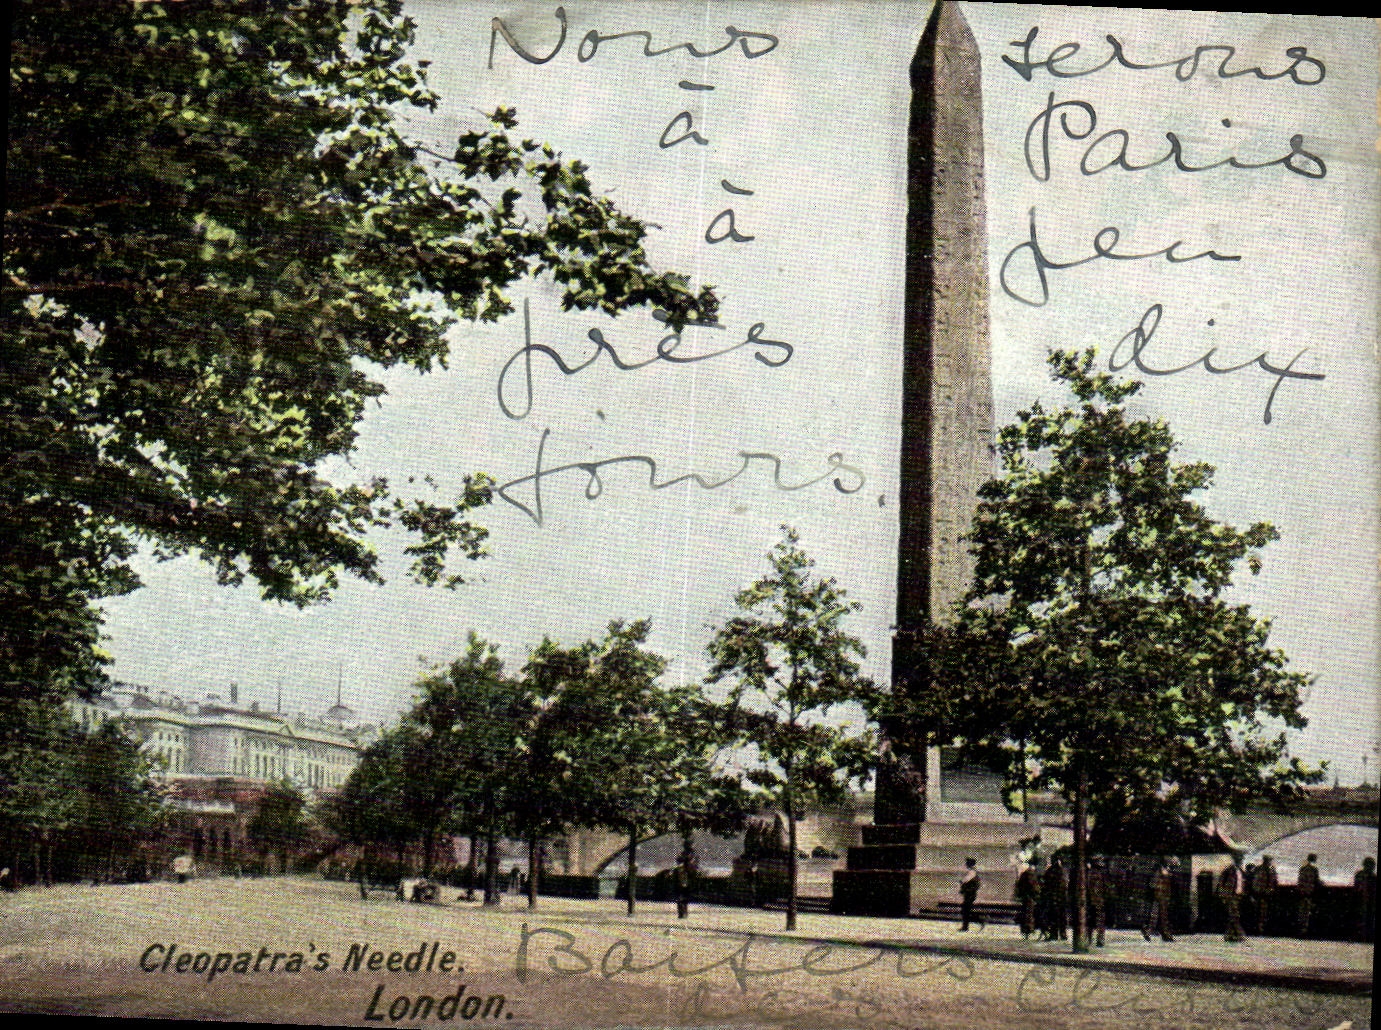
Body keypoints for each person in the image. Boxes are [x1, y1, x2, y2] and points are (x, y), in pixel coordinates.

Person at [1142, 857, 1175, 942]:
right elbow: (1153, 883)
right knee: (1159, 915)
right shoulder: (1160, 870)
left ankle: (1154, 932)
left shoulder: (1166, 870)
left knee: (1159, 915)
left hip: (1163, 895)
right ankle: (1162, 934)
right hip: (1160, 895)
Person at [1217, 853, 1246, 943]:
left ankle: (1230, 935)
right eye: (1239, 860)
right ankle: (1239, 934)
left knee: (1233, 916)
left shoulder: (1240, 871)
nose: (1240, 862)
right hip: (1231, 896)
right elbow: (1221, 883)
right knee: (1234, 914)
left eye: (1241, 860)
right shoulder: (1229, 871)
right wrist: (1224, 896)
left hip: (1238, 896)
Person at [1042, 856, 1068, 941]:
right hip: (1062, 898)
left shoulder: (1050, 871)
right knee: (1062, 917)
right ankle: (1063, 934)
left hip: (1053, 898)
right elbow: (1065, 885)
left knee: (1053, 917)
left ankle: (1054, 935)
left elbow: (1045, 884)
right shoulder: (1063, 871)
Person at [1296, 853, 1321, 937]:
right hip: (1310, 893)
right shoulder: (1314, 869)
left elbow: (1300, 881)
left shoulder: (1302, 868)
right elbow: (1316, 882)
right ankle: (1305, 930)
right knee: (1307, 913)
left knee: (1301, 913)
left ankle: (1300, 930)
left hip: (1302, 893)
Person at [1086, 857, 1109, 947]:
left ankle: (1089, 939)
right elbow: (1100, 889)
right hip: (1098, 901)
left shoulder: (1089, 873)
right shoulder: (1098, 875)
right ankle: (1100, 940)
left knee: (1090, 922)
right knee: (1100, 921)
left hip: (1091, 901)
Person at [1254, 854, 1278, 935]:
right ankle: (1260, 928)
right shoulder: (1260, 869)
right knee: (1260, 911)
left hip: (1267, 893)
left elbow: (1275, 881)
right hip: (1261, 893)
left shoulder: (1271, 869)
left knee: (1264, 912)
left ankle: (1262, 928)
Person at [1015, 862, 1041, 940]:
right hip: (1030, 898)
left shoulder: (1024, 874)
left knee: (1025, 914)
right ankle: (1028, 930)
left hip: (1024, 898)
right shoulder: (1031, 875)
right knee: (1029, 914)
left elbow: (1019, 886)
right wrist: (1037, 893)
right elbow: (1035, 887)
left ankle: (1025, 931)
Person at [1353, 856, 1375, 943]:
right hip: (1366, 901)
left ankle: (1362, 936)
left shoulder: (1359, 875)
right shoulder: (1373, 877)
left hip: (1363, 901)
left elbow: (1357, 887)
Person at [959, 857, 982, 931]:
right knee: (966, 910)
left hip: (970, 894)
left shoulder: (972, 872)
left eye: (967, 863)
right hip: (969, 894)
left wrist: (962, 883)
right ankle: (966, 926)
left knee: (966, 910)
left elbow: (965, 881)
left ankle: (979, 921)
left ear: (969, 864)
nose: (965, 864)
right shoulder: (972, 872)